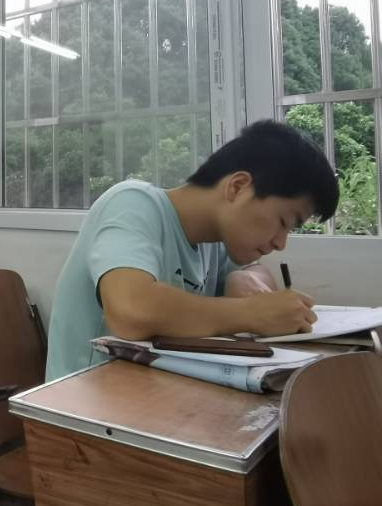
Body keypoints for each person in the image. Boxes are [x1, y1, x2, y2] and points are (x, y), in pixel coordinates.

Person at [44, 120, 340, 382]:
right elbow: (131, 311)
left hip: (153, 395)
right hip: (77, 407)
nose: (280, 243)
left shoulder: (216, 241)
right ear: (238, 187)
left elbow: (254, 273)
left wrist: (246, 277)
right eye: (283, 222)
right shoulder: (132, 204)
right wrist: (250, 312)